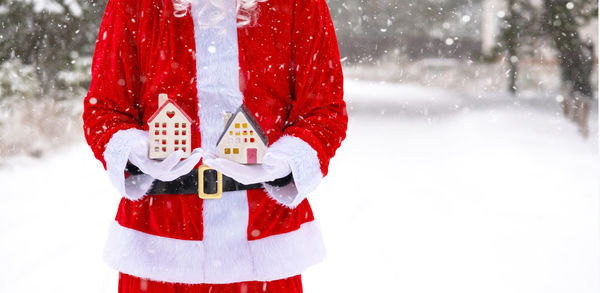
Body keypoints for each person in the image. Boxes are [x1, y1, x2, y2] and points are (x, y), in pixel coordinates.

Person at [82, 0, 347, 291]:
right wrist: (135, 152)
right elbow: (105, 110)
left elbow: (324, 111)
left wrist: (284, 163)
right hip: (158, 246)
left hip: (265, 249)